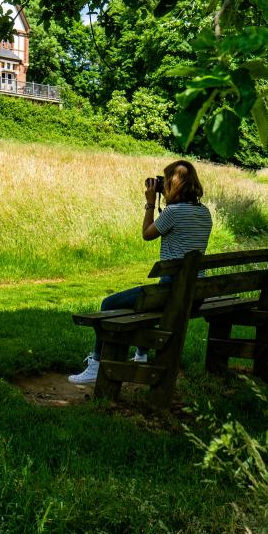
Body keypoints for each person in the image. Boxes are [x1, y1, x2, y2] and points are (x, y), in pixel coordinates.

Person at [68, 159, 213, 385]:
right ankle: (141, 356)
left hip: (171, 293)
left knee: (108, 304)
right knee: (146, 302)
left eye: (165, 182)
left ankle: (97, 365)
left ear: (174, 185)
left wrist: (150, 204)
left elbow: (147, 234)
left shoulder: (172, 212)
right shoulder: (205, 213)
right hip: (195, 295)